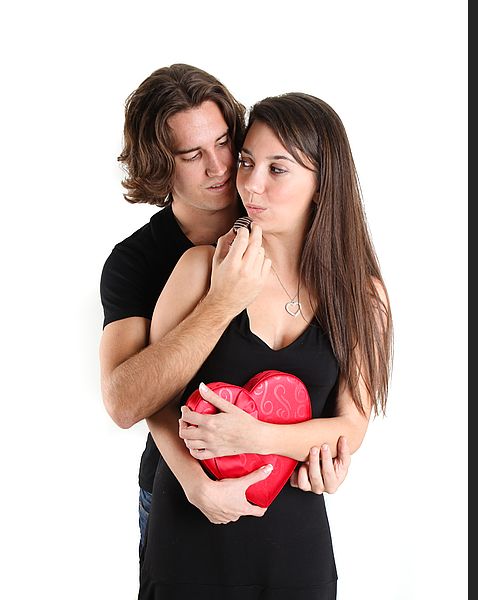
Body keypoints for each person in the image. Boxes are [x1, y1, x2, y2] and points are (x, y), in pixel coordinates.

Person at [139, 92, 393, 599]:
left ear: (322, 185)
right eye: (248, 162)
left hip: (295, 545)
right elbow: (154, 397)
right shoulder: (199, 269)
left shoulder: (363, 295)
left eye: (278, 169)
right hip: (190, 534)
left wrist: (255, 436)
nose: (250, 184)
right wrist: (197, 484)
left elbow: (351, 425)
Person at [99, 65, 351, 555]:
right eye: (193, 155)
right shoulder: (138, 262)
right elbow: (128, 401)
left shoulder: (276, 213)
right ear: (158, 163)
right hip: (181, 488)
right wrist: (220, 305)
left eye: (224, 144)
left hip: (285, 494)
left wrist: (325, 451)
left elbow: (328, 382)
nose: (220, 167)